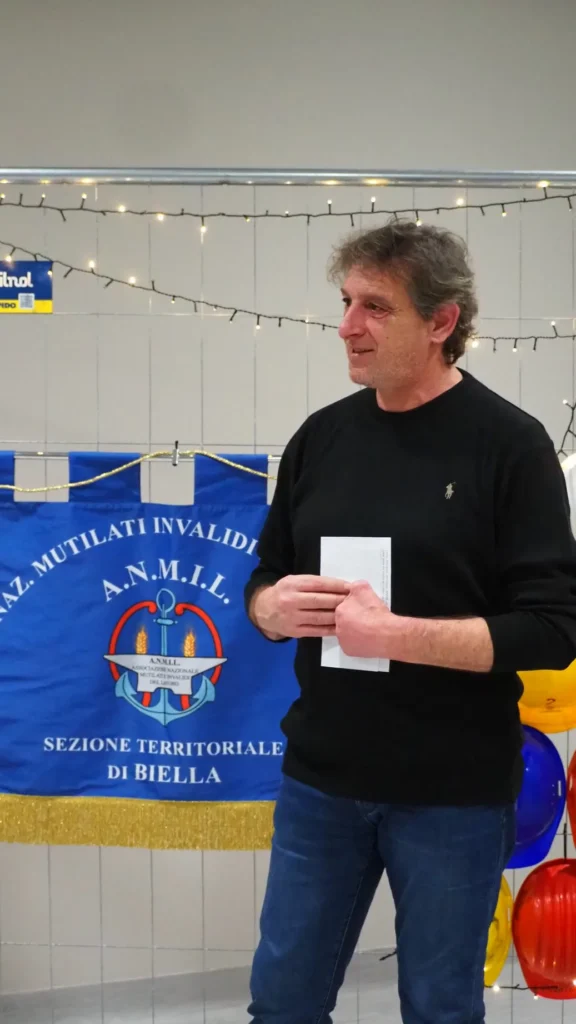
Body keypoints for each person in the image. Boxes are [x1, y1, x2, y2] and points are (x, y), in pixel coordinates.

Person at [244, 219, 576, 1024]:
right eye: (347, 302)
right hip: (321, 782)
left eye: (376, 307)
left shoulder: (510, 446)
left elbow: (552, 628)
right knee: (282, 1005)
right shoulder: (321, 438)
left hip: (453, 795)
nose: (347, 326)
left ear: (441, 322)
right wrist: (268, 609)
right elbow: (266, 573)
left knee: (439, 1010)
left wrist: (394, 635)